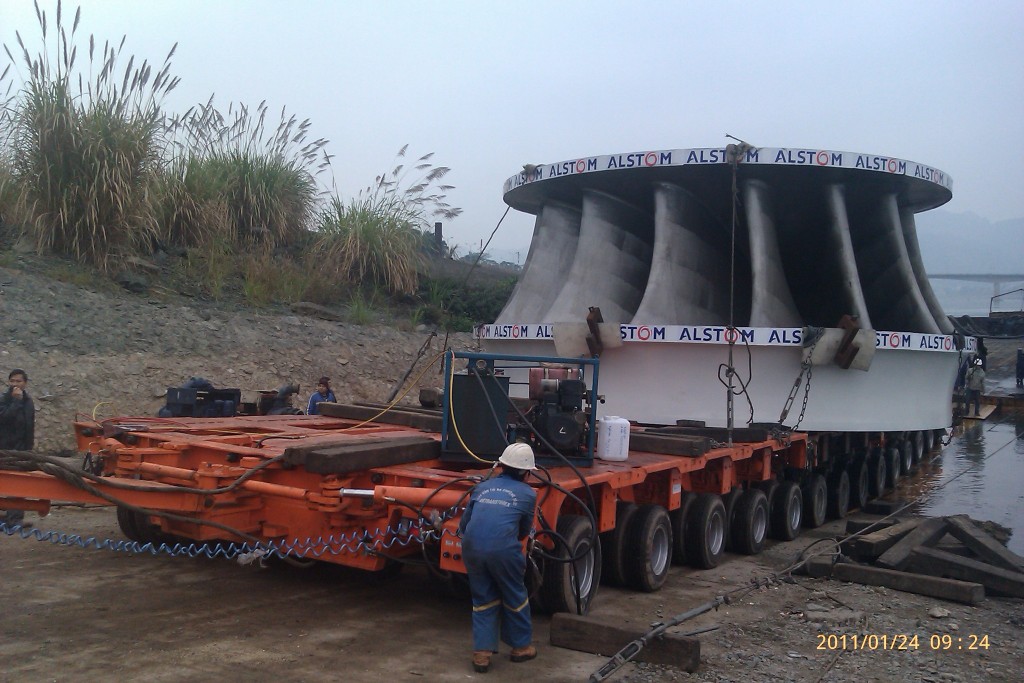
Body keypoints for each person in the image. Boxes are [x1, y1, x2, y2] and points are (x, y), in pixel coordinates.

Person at [458, 442, 539, 673]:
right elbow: (524, 531)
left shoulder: (483, 487)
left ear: (501, 465)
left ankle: (481, 654)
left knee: (482, 598)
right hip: (503, 551)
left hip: (471, 548)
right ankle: (521, 647)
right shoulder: (527, 494)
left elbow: (465, 525)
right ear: (526, 472)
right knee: (515, 594)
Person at [0, 369, 35, 528]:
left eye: (18, 381)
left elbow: (29, 427)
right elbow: (4, 418)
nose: (15, 384)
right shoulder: (4, 399)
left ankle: (15, 520)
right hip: (4, 448)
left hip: (21, 450)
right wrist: (15, 401)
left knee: (20, 484)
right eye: (12, 381)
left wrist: (29, 449)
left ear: (25, 383)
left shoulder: (28, 402)